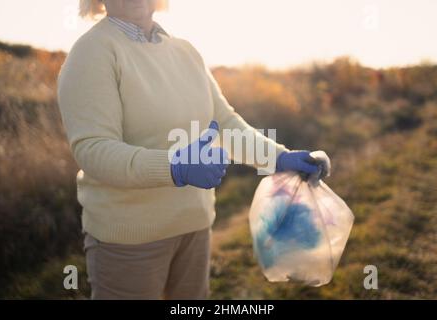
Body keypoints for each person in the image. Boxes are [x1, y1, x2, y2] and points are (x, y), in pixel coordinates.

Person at [57, 0, 330, 299]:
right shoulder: (91, 53)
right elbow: (94, 149)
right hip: (129, 241)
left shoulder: (185, 51)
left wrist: (278, 157)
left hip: (195, 226)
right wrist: (174, 167)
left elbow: (225, 123)